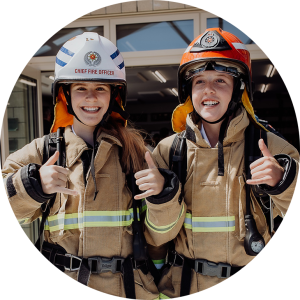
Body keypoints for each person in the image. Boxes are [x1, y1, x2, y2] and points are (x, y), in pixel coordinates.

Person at [1, 32, 172, 299]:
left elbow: (161, 235)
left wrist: (163, 196)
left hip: (126, 288)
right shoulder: (42, 151)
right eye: (81, 87)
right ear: (65, 94)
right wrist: (32, 185)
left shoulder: (138, 153)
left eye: (100, 88)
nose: (91, 98)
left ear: (115, 95)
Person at [135, 28, 300, 298]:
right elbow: (156, 237)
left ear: (239, 88)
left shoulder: (271, 148)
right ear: (188, 90)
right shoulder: (167, 151)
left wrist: (282, 182)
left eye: (221, 80)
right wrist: (161, 198)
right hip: (182, 287)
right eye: (199, 81)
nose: (208, 90)